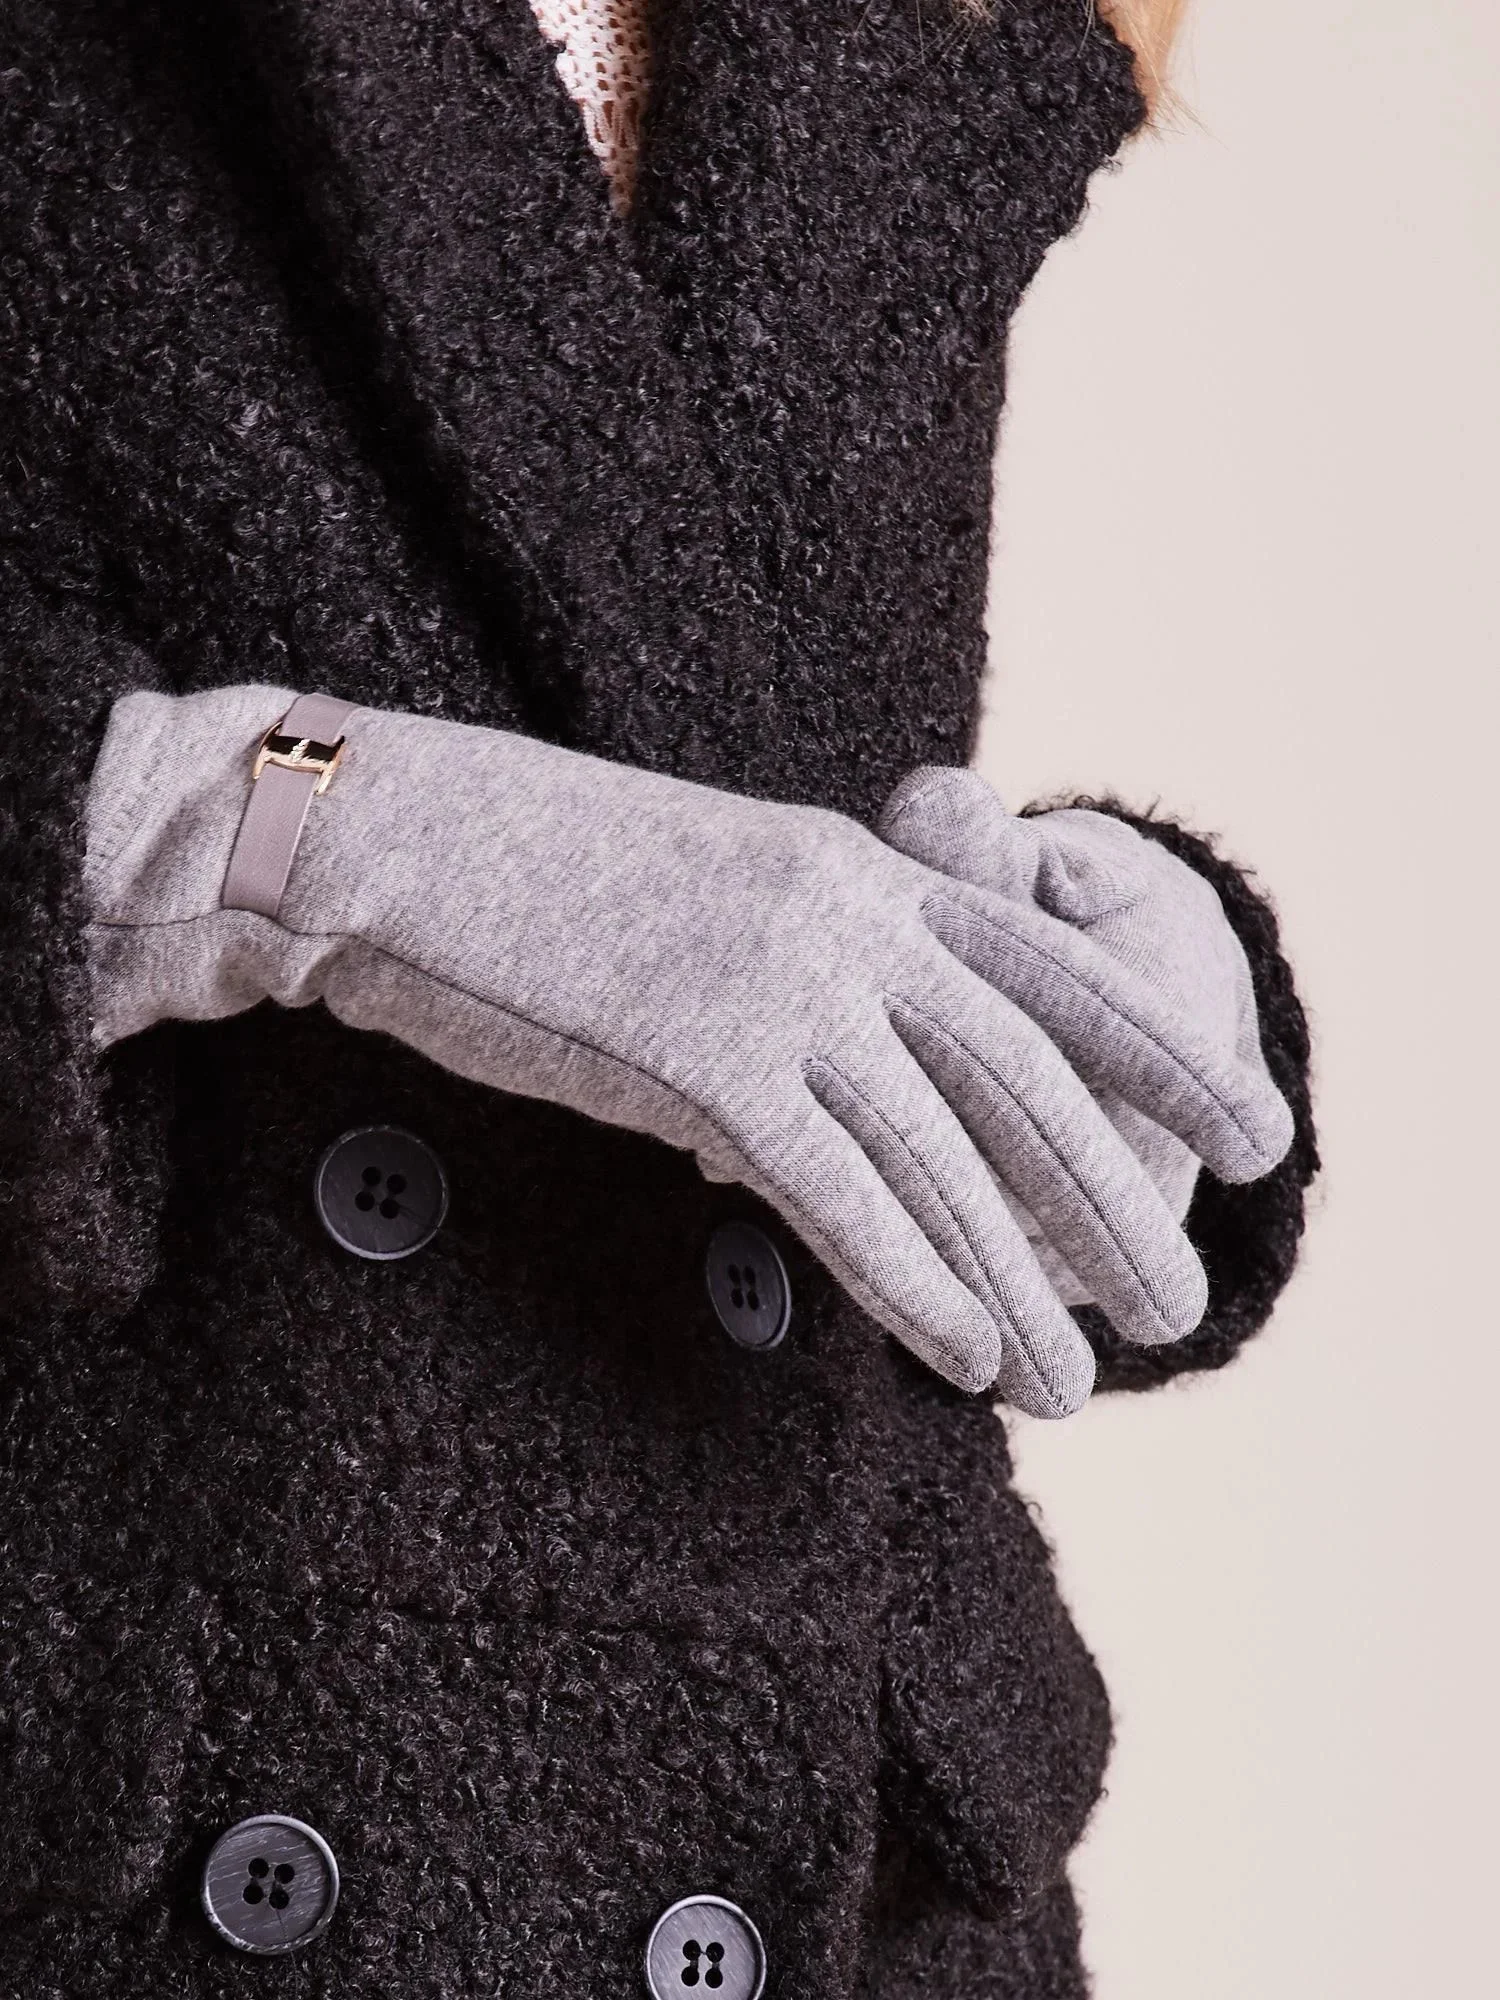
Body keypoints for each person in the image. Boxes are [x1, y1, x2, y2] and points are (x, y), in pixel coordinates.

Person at [0, 0, 1316, 1993]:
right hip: (175, 1748)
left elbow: (737, 749)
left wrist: (1097, 989)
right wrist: (301, 838)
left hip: (849, 1825)